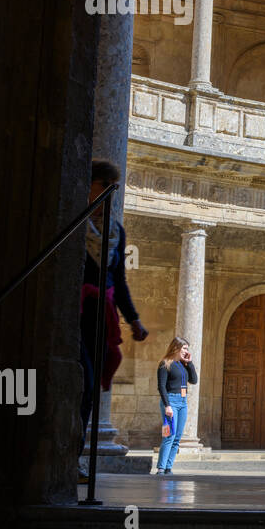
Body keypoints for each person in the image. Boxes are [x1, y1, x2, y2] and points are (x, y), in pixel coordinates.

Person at [78, 160, 148, 479]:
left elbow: (117, 280)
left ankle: (73, 457)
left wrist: (133, 320)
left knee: (90, 390)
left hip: (100, 316)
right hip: (73, 310)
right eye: (102, 182)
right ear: (87, 184)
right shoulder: (73, 220)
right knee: (82, 383)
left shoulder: (114, 231)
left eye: (112, 185)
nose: (108, 190)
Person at [155, 336, 197, 475]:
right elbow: (161, 387)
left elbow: (194, 380)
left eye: (187, 348)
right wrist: (167, 406)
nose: (186, 351)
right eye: (184, 348)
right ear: (176, 348)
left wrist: (189, 363)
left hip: (183, 403)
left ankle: (168, 467)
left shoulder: (183, 364)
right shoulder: (165, 363)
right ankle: (160, 468)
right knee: (168, 436)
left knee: (177, 437)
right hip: (170, 401)